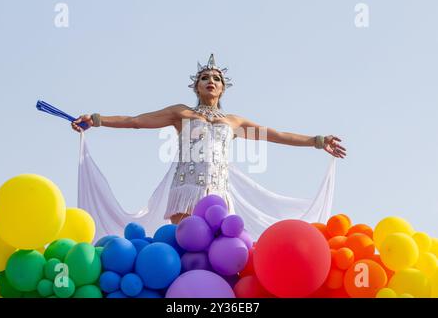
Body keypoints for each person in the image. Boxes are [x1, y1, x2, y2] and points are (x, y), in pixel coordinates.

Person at [71, 54, 346, 240]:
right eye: (205, 78)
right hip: (186, 190)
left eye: (216, 78)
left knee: (217, 248)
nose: (211, 81)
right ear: (197, 87)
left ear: (222, 89)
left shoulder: (233, 121)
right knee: (185, 245)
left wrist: (317, 141)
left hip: (218, 192)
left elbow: (275, 134)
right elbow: (135, 121)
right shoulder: (181, 113)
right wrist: (96, 120)